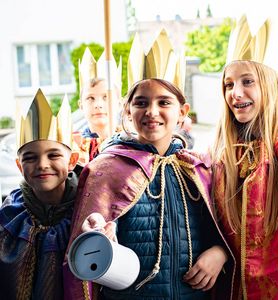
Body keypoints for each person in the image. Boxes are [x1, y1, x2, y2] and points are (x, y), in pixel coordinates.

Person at [64, 78, 235, 300]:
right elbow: (87, 251)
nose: (151, 112)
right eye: (141, 103)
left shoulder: (199, 169)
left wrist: (220, 252)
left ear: (182, 112)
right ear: (127, 111)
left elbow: (225, 229)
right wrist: (101, 235)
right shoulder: (106, 169)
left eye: (164, 102)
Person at [211, 15, 278, 299]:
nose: (236, 93)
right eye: (228, 84)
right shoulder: (220, 155)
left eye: (247, 81)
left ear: (274, 85)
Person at [0, 89, 79, 299]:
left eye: (53, 155)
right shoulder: (8, 217)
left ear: (72, 161)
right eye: (30, 158)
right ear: (19, 166)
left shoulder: (87, 209)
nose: (42, 165)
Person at [72, 47, 122, 174]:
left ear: (120, 103)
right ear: (81, 105)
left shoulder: (131, 141)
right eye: (90, 98)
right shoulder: (74, 145)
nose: (98, 104)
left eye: (106, 97)